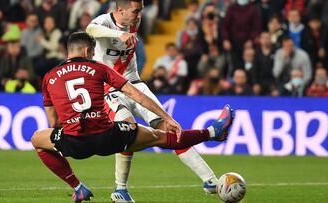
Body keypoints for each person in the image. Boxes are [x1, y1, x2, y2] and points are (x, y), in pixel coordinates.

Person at [31, 32, 234, 203]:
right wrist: (165, 116)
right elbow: (134, 94)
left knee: (37, 140)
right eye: (92, 52)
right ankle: (212, 132)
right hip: (107, 137)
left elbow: (54, 123)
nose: (93, 55)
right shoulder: (99, 68)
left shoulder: (49, 77)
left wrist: (72, 125)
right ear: (86, 51)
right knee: (160, 136)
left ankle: (78, 187)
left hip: (74, 144)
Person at [86, 1, 221, 201]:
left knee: (170, 126)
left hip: (135, 83)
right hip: (109, 88)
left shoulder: (136, 20)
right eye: (136, 10)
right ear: (120, 10)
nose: (140, 14)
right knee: (127, 130)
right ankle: (120, 189)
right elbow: (90, 29)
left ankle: (210, 180)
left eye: (140, 9)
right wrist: (119, 34)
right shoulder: (104, 21)